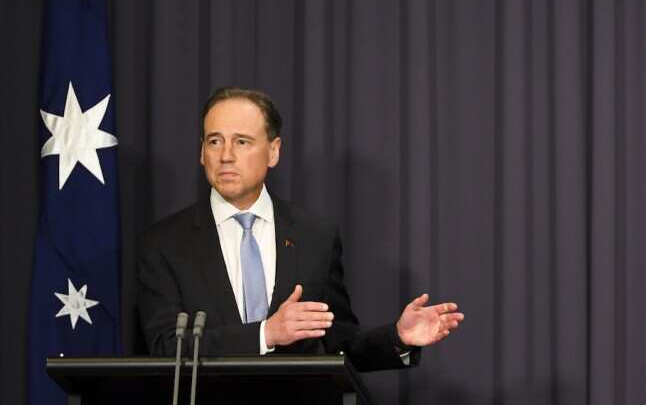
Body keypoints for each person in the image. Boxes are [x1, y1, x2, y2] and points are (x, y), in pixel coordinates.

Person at [137, 87, 464, 371]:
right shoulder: (165, 242)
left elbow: (339, 344)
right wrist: (265, 334)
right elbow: (165, 348)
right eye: (214, 141)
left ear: (274, 151)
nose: (225, 156)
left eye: (242, 142)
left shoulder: (315, 236)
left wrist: (397, 337)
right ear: (201, 152)